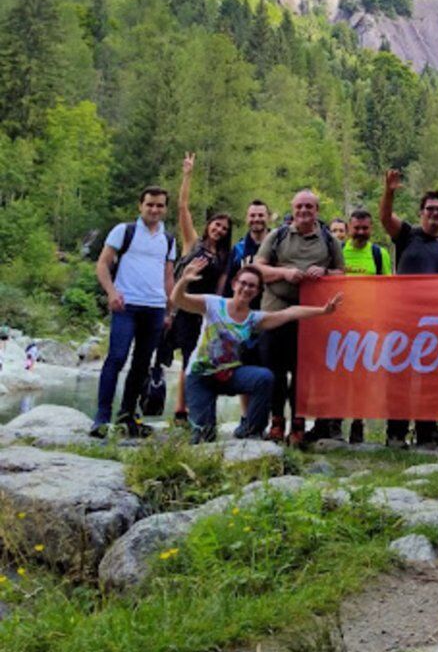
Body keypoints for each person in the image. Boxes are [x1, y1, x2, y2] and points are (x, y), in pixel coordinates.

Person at [172, 258, 343, 444]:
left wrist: (323, 311)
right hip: (200, 377)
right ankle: (203, 431)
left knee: (264, 378)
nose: (246, 289)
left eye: (252, 286)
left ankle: (251, 432)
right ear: (234, 284)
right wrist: (184, 280)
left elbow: (289, 313)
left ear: (257, 291)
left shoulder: (253, 319)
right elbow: (178, 300)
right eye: (243, 283)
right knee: (205, 438)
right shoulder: (213, 304)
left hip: (230, 375)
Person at [379, 169, 438, 447]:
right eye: (430, 209)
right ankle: (395, 433)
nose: (435, 213)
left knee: (432, 379)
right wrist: (389, 191)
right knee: (400, 377)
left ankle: (426, 431)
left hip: (437, 324)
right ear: (421, 212)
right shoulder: (407, 235)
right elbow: (384, 218)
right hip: (403, 320)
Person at [255, 189, 344, 446]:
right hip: (276, 311)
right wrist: (284, 274)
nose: (304, 211)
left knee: (303, 373)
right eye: (299, 207)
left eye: (309, 207)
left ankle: (298, 423)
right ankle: (276, 422)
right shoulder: (277, 235)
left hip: (311, 316)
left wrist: (325, 272)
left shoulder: (329, 240)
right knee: (275, 371)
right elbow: (258, 268)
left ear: (317, 211)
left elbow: (342, 274)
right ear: (293, 209)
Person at [91, 186, 176, 437]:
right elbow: (103, 264)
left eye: (159, 205)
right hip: (126, 305)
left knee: (141, 365)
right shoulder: (124, 231)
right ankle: (101, 418)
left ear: (165, 209)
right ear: (140, 205)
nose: (154, 209)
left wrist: (170, 311)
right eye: (150, 204)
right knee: (116, 358)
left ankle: (127, 416)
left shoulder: (168, 239)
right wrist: (111, 292)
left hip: (155, 308)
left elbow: (168, 276)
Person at [168, 152, 233, 425]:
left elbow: (220, 287)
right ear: (209, 226)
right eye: (216, 224)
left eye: (224, 228)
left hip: (207, 310)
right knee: (187, 358)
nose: (219, 229)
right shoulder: (192, 243)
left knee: (205, 358)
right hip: (185, 305)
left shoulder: (224, 257)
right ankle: (181, 410)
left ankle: (201, 408)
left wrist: (218, 315)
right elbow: (183, 208)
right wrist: (187, 175)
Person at [341, 208, 393, 444]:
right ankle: (330, 422)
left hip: (367, 325)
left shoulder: (379, 253)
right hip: (338, 324)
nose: (361, 233)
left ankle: (358, 423)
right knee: (337, 375)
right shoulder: (338, 251)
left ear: (371, 229)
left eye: (365, 228)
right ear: (348, 228)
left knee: (361, 377)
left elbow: (388, 289)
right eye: (356, 228)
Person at [227, 199, 272, 300]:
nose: (256, 219)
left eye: (261, 215)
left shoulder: (279, 245)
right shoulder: (238, 249)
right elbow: (230, 284)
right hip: (245, 308)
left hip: (272, 307)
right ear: (246, 218)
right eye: (252, 215)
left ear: (268, 218)